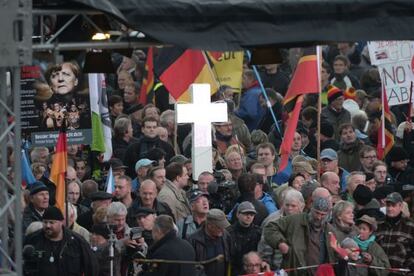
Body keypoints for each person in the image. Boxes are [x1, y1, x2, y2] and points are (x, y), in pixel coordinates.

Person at [264, 197, 335, 275]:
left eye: (322, 215)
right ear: (311, 209)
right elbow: (270, 228)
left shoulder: (330, 231)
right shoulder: (295, 221)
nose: (318, 217)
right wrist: (280, 243)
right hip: (295, 272)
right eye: (317, 213)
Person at [23, 206, 99, 276]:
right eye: (45, 222)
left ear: (61, 222)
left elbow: (91, 267)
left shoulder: (77, 241)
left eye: (51, 222)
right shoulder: (33, 239)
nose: (48, 226)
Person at [376, 192, 414, 274]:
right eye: (388, 205)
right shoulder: (378, 225)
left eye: (393, 205)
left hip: (402, 273)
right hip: (380, 272)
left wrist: (409, 270)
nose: (390, 209)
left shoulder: (410, 226)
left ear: (400, 206)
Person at [187, 209, 232, 276]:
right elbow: (192, 266)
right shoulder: (193, 240)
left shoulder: (226, 236)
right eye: (219, 227)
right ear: (209, 225)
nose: (223, 230)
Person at [228, 201, 262, 276]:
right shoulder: (228, 233)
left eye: (252, 214)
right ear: (237, 214)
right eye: (246, 214)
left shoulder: (259, 232)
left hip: (253, 271)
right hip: (234, 271)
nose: (249, 216)